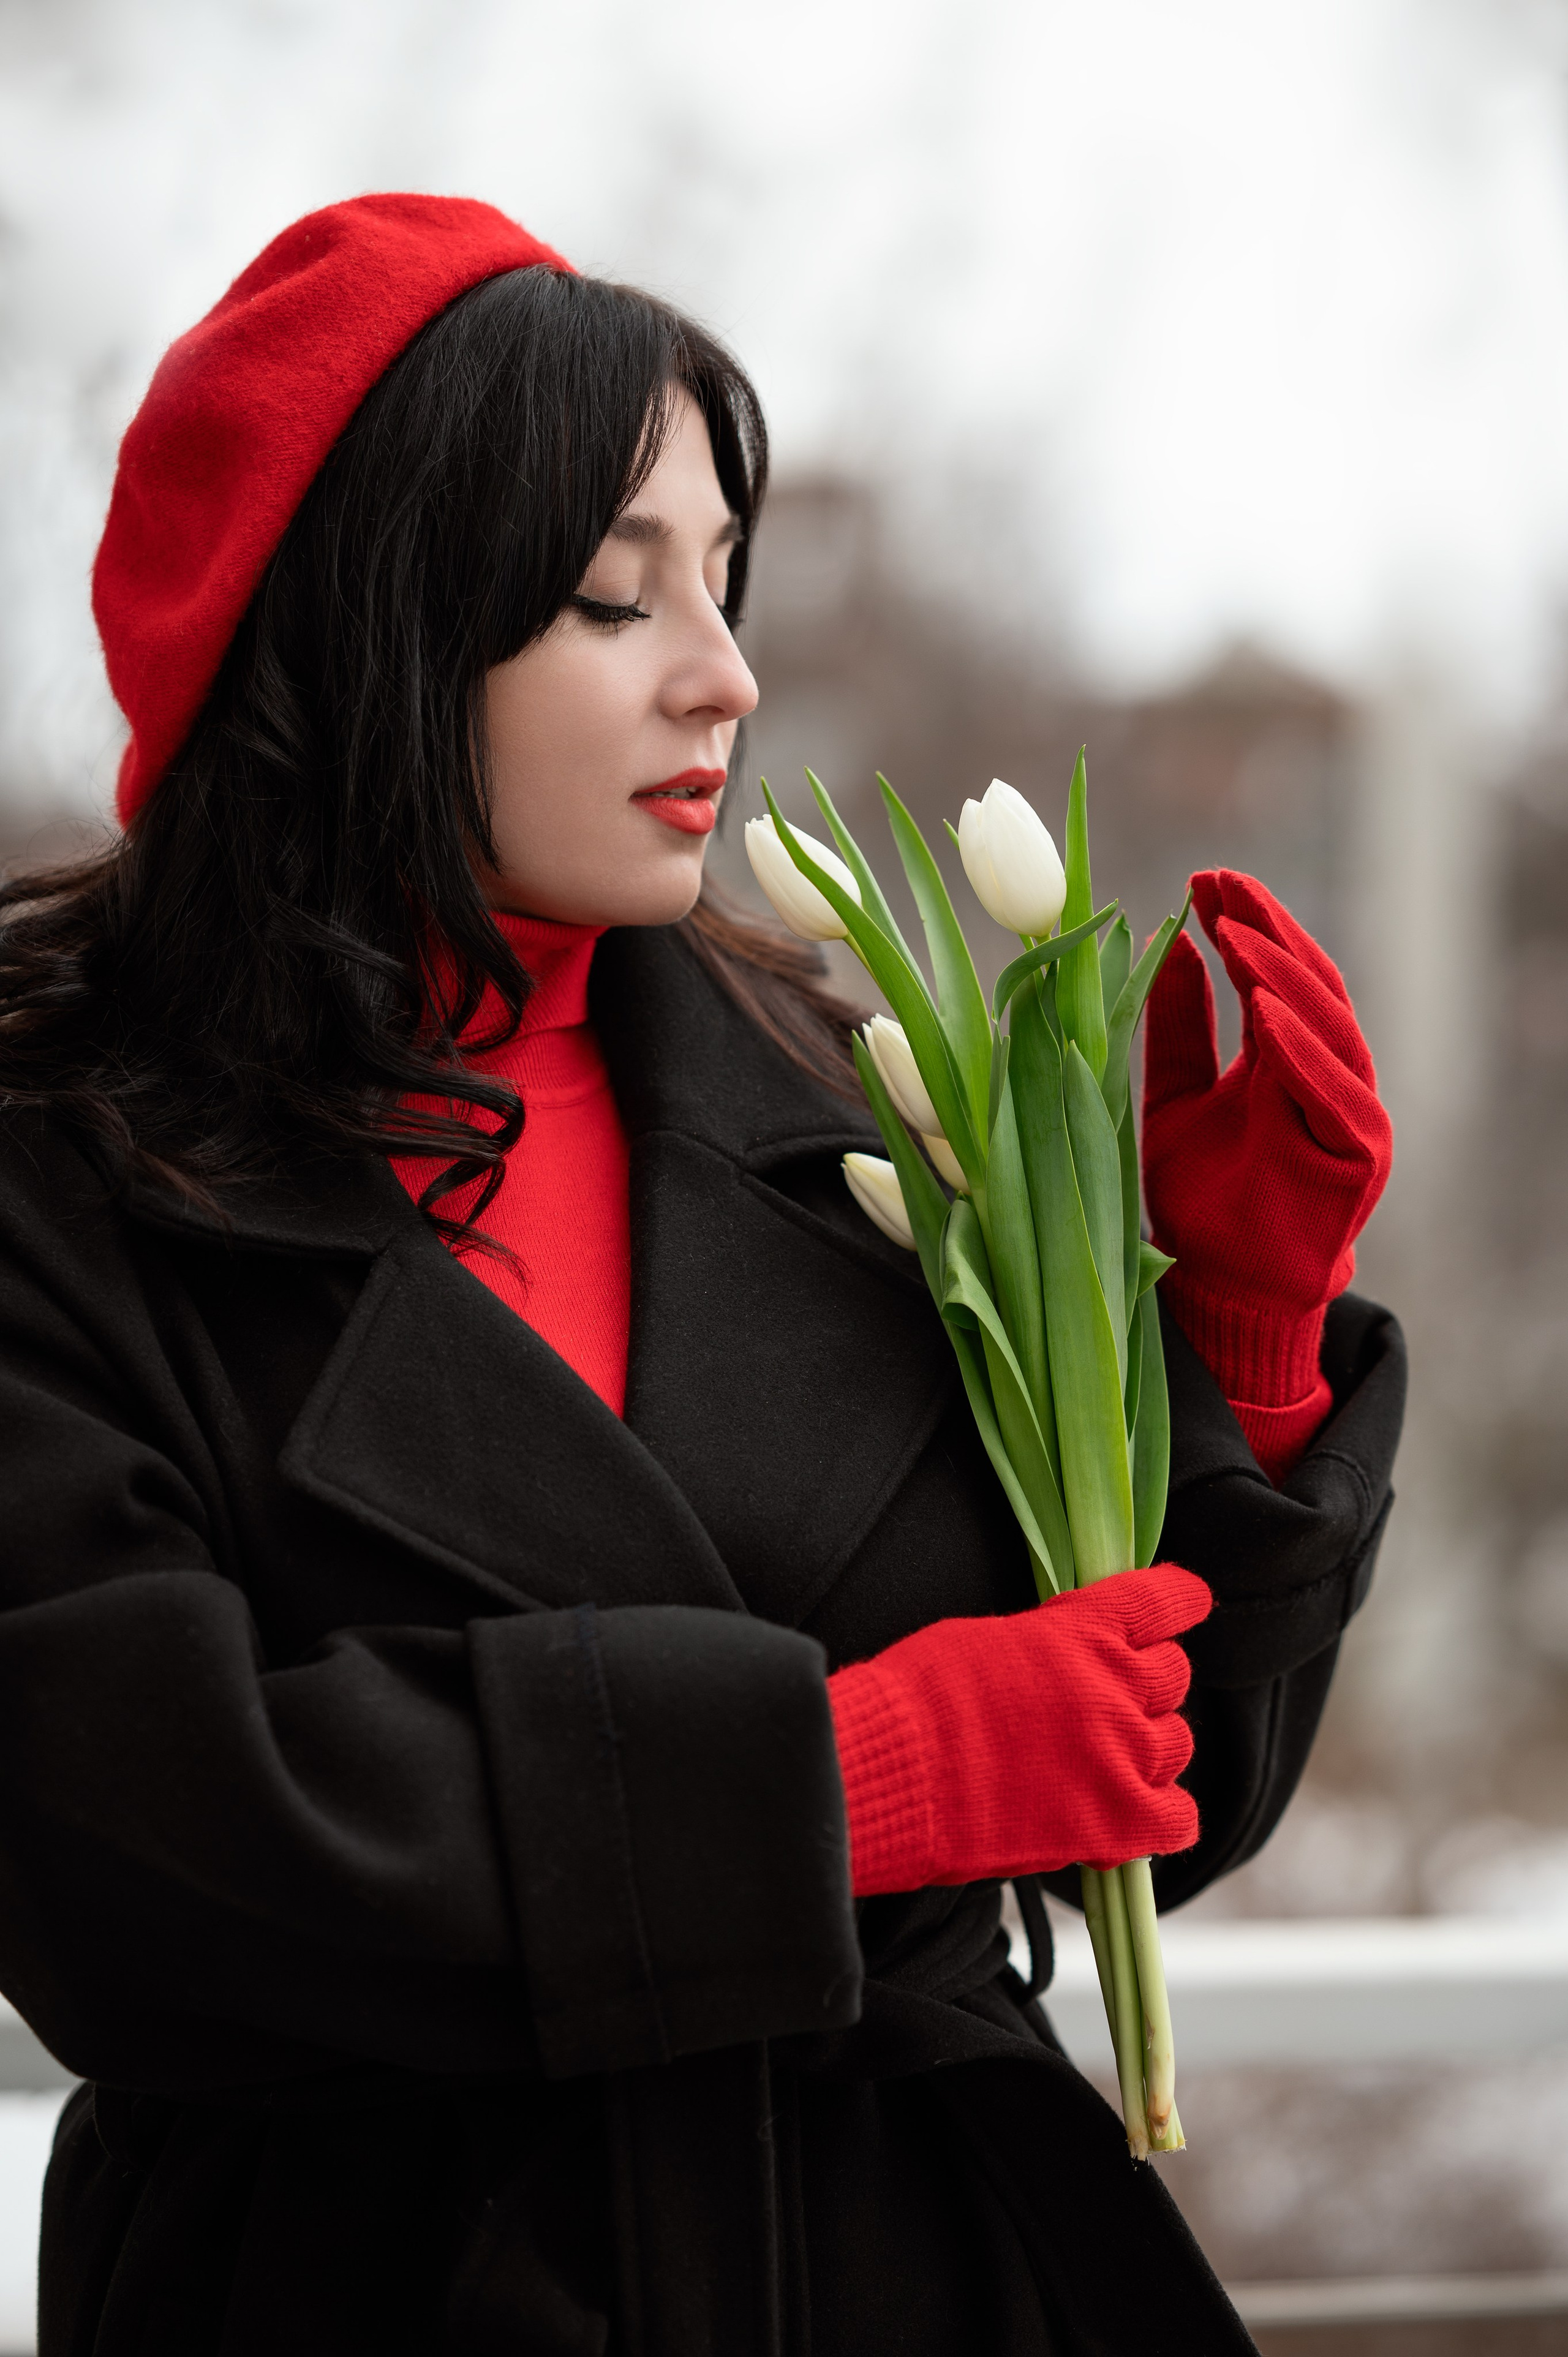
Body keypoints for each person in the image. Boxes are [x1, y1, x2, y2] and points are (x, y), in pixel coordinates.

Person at [0, 195, 1403, 2357]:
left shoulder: (848, 1093)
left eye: (726, 588)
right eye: (605, 597)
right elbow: (137, 1858)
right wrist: (846, 1782)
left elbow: (1158, 1798)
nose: (724, 676)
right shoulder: (66, 1166)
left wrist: (1237, 1314)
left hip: (928, 2274)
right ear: (356, 629)